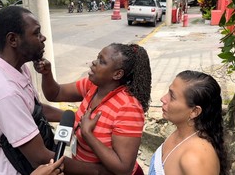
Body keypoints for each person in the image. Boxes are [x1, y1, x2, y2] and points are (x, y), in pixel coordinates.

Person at [0, 6, 111, 175]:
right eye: (36, 33)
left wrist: (77, 119)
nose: (43, 38)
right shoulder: (4, 92)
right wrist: (98, 172)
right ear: (13, 40)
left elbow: (34, 109)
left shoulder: (19, 69)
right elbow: (40, 158)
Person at [34, 43, 152, 174]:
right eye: (97, 57)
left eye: (102, 61)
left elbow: (123, 168)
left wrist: (88, 134)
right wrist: (47, 74)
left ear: (117, 74)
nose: (94, 62)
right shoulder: (93, 85)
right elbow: (55, 93)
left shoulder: (128, 107)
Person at [148, 70, 228, 175]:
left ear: (195, 111)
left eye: (172, 97)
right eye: (168, 91)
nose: (163, 99)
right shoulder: (181, 133)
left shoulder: (195, 159)